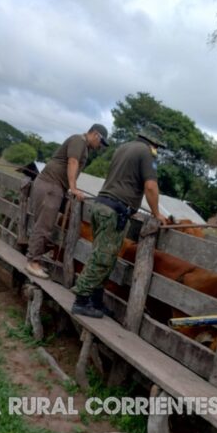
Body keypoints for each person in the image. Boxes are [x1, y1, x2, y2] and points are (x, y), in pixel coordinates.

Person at [71, 125, 169, 318]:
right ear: (154, 143)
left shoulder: (124, 147)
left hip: (101, 205)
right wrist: (157, 213)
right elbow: (150, 186)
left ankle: (96, 302)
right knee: (103, 258)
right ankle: (81, 301)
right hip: (115, 211)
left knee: (103, 256)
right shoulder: (147, 154)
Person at [24, 124, 109, 279]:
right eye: (101, 142)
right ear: (96, 135)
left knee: (44, 224)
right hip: (51, 185)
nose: (100, 146)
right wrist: (73, 188)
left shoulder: (83, 145)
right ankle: (33, 262)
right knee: (44, 226)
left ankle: (35, 259)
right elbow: (73, 162)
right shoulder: (79, 141)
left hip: (53, 186)